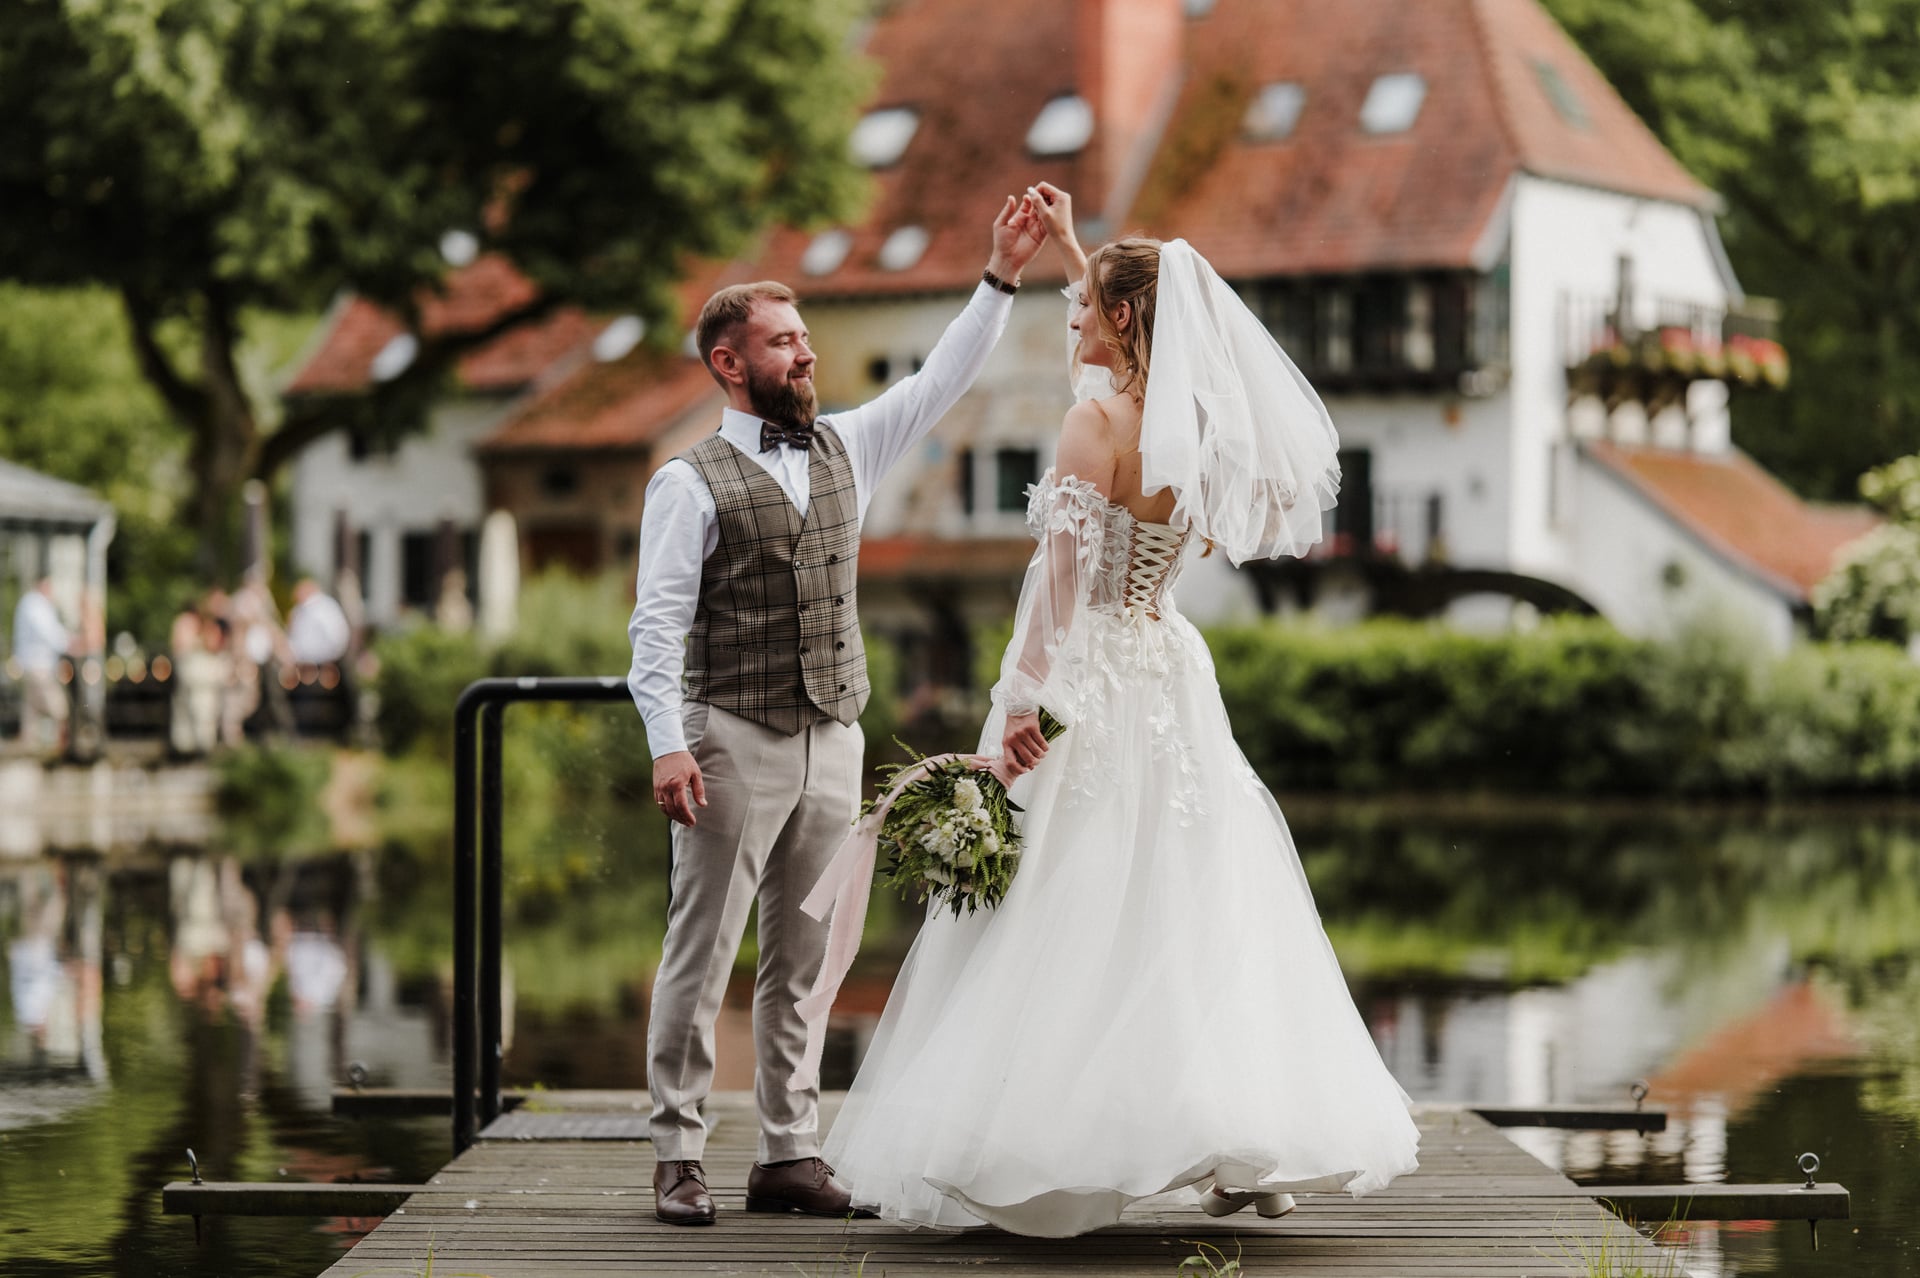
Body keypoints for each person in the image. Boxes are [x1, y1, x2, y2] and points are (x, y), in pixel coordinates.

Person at [815, 185, 1421, 1236]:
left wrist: (1024, 702)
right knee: (1190, 898)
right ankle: (1240, 1137)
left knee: (1067, 900)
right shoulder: (1198, 426)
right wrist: (1070, 248)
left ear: (1126, 317)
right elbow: (1132, 344)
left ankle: (1048, 1145)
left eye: (1087, 307)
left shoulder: (1093, 424)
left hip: (1088, 669)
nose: (1074, 319)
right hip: (1168, 667)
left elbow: (1058, 583)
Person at [627, 193, 1049, 1226]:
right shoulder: (687, 484)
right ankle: (678, 1153)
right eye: (783, 342)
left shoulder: (848, 448)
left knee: (807, 958)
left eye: (804, 337)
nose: (806, 354)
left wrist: (999, 276)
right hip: (730, 738)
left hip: (835, 736)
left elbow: (941, 379)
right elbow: (656, 628)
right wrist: (668, 747)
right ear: (730, 363)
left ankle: (788, 1154)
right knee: (701, 950)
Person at [12, 577, 72, 752]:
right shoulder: (35, 604)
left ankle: (28, 745)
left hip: (32, 663)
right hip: (38, 664)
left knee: (31, 707)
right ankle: (63, 742)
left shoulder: (32, 603)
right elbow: (49, 633)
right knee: (57, 706)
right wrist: (70, 643)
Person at [287, 578, 352, 667]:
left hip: (319, 662)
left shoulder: (321, 607)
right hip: (307, 660)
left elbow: (336, 635)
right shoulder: (301, 609)